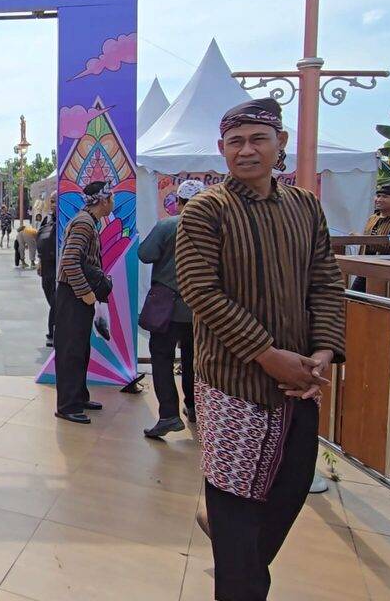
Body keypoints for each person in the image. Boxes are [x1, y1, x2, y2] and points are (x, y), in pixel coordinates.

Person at [176, 98, 345, 601]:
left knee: (289, 492)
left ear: (280, 143)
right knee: (235, 503)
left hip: (298, 383)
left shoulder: (305, 206)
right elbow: (201, 292)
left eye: (257, 139)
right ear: (221, 149)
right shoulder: (207, 209)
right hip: (233, 383)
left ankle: (239, 558)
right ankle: (241, 573)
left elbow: (325, 281)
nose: (246, 150)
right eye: (235, 142)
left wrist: (324, 350)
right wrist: (268, 355)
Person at [139, 179, 205, 439]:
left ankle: (168, 414)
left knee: (162, 357)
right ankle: (194, 407)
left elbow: (145, 254)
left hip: (168, 307)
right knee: (193, 360)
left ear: (178, 202)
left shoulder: (167, 225)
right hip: (201, 307)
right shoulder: (214, 227)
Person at [53, 181, 114, 424]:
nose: (113, 202)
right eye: (111, 197)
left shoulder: (88, 221)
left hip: (76, 293)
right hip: (73, 294)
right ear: (103, 200)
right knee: (71, 350)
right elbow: (69, 260)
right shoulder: (84, 223)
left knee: (80, 348)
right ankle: (67, 405)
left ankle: (78, 396)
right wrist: (86, 292)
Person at [351, 184, 390, 292]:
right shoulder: (373, 218)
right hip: (366, 266)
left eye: (385, 197)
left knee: (375, 299)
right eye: (378, 196)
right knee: (353, 296)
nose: (379, 199)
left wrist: (362, 239)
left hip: (386, 269)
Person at [37, 195, 59, 347]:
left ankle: (53, 333)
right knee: (50, 297)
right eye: (52, 201)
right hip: (46, 264)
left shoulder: (66, 220)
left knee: (56, 300)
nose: (53, 204)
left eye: (56, 201)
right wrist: (39, 261)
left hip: (58, 264)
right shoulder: (47, 220)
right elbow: (41, 240)